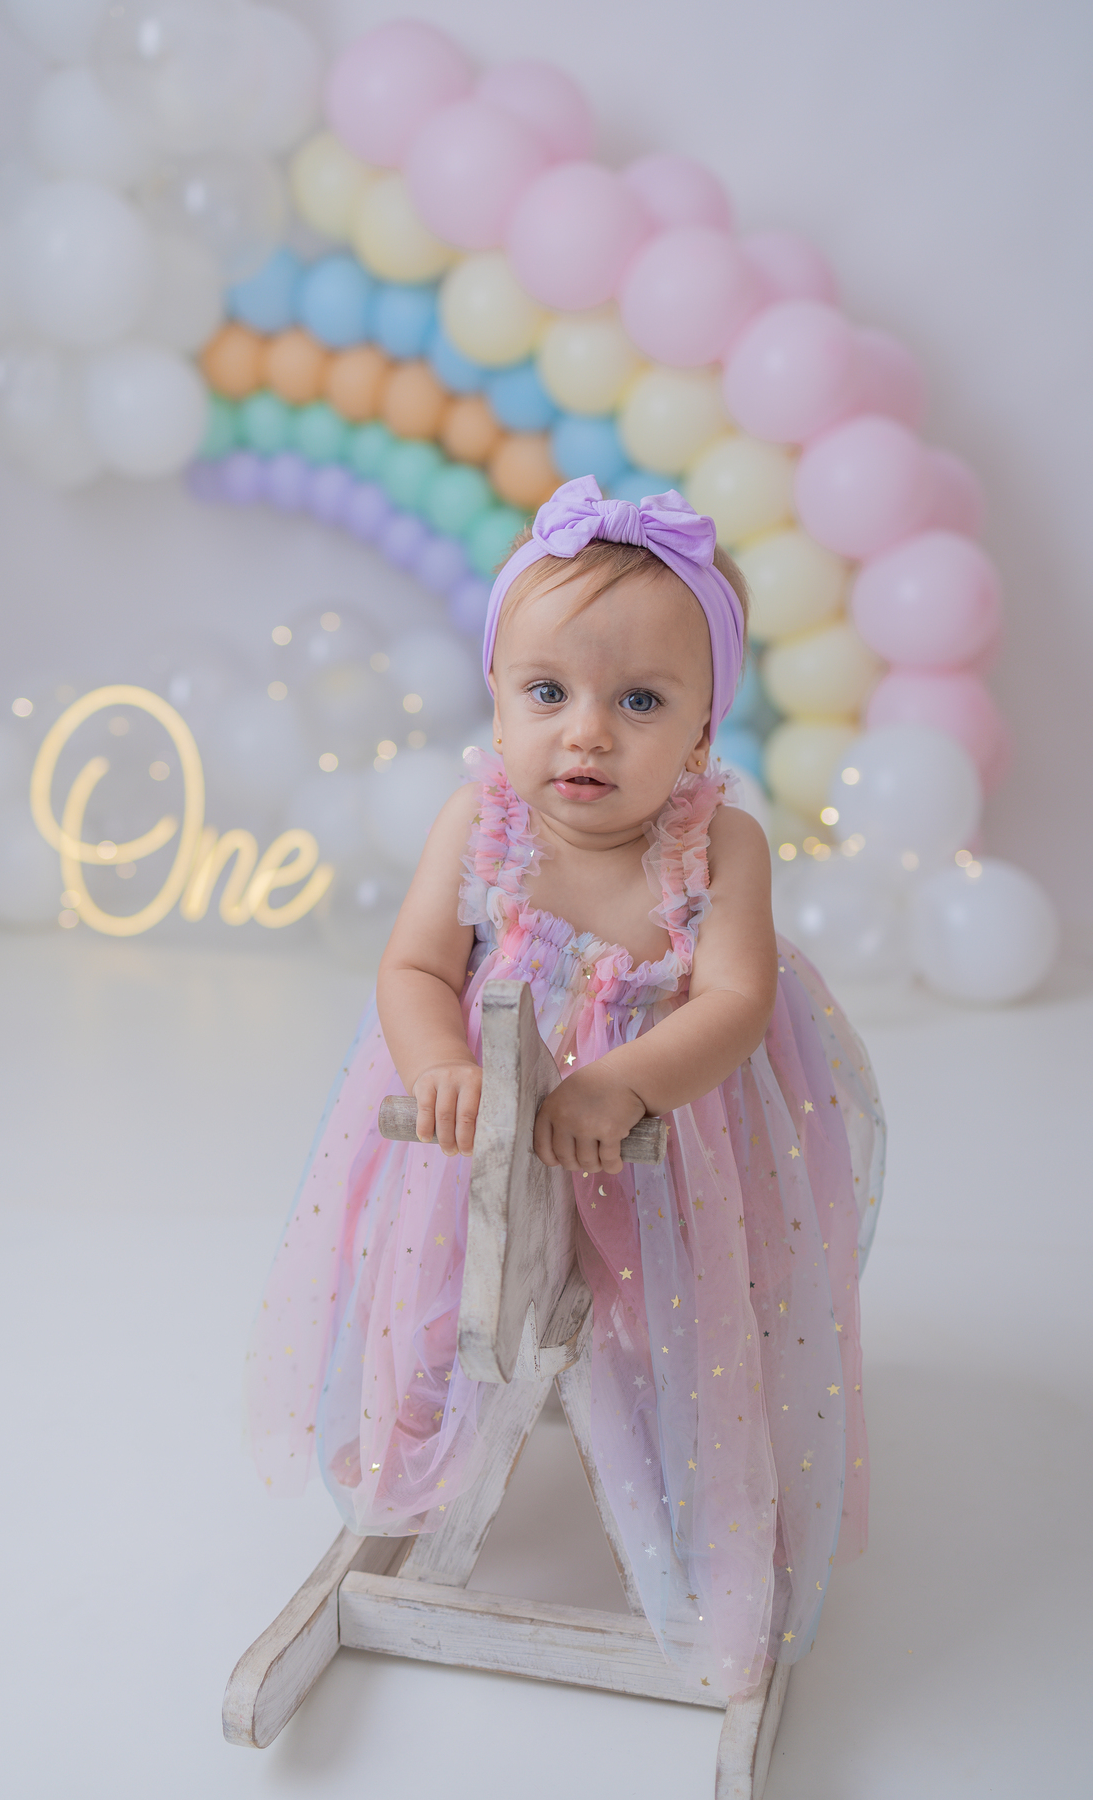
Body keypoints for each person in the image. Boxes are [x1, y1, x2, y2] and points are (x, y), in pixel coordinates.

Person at [246, 475, 884, 1694]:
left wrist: (628, 1082)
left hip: (668, 1134)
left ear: (704, 728)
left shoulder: (720, 844)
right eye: (549, 693)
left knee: (688, 1300)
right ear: (496, 696)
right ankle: (423, 1433)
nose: (587, 733)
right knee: (442, 1274)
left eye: (640, 700)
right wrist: (440, 1062)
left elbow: (735, 1002)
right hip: (483, 1129)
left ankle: (703, 1468)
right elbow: (414, 966)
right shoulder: (477, 823)